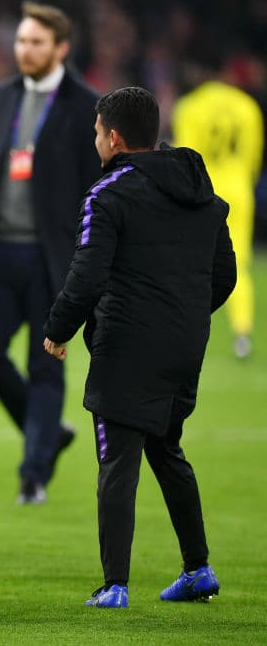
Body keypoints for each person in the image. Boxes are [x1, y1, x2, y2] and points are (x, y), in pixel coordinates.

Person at [42, 86, 236, 608]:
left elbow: (86, 276)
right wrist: (183, 317)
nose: (96, 142)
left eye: (97, 133)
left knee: (118, 461)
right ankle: (198, 569)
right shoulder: (201, 192)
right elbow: (225, 275)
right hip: (185, 345)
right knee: (165, 447)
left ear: (115, 137)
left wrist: (58, 328)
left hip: (126, 344)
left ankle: (115, 585)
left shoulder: (109, 194)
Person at [0, 1, 102, 504]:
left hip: (52, 259)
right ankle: (46, 433)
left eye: (37, 42)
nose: (25, 50)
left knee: (46, 365)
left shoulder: (88, 106)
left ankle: (33, 473)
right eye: (21, 41)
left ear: (61, 48)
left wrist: (89, 259)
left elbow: (96, 188)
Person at [173, 54, 263, 359]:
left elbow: (188, 157)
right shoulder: (247, 107)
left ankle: (183, 333)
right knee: (238, 263)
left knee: (191, 262)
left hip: (205, 190)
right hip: (238, 190)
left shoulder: (190, 106)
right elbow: (252, 157)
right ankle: (242, 335)